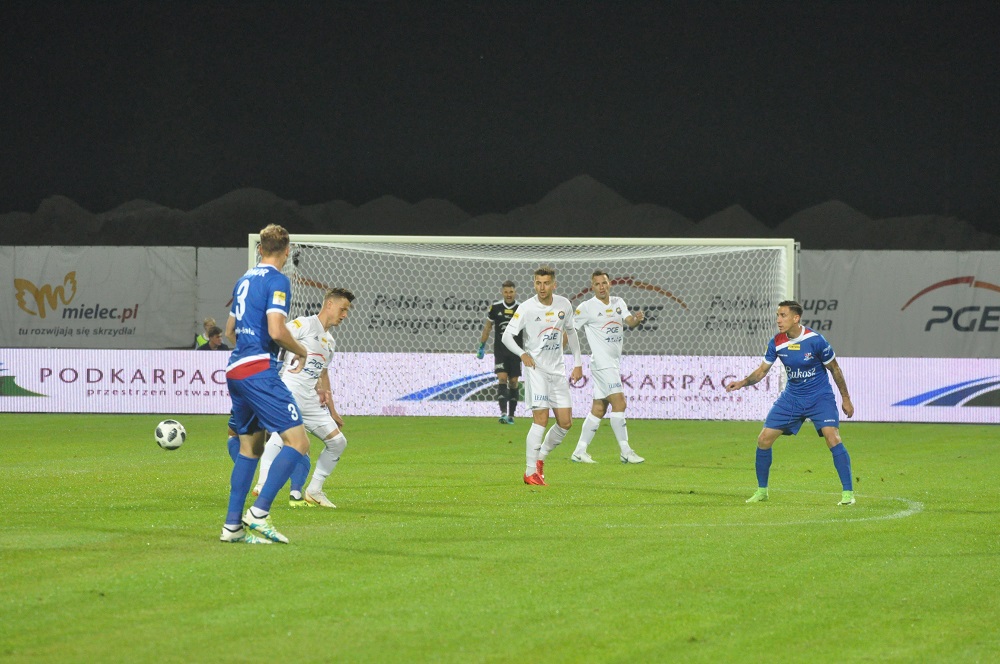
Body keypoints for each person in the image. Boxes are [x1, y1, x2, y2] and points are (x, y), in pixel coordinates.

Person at [219, 223, 311, 545]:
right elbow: (276, 330)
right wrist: (301, 351)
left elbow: (229, 331)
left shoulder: (244, 280)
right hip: (259, 371)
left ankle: (232, 527)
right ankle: (259, 514)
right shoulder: (278, 280)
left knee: (251, 448)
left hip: (236, 370)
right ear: (287, 251)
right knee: (299, 443)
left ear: (259, 248)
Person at [725, 300, 856, 506]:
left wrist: (846, 399)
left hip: (819, 397)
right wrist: (742, 382)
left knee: (833, 438)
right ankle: (762, 491)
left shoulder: (816, 340)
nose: (778, 320)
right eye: (778, 315)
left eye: (783, 315)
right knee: (764, 439)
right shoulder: (776, 342)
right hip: (792, 397)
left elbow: (835, 369)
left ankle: (848, 494)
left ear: (796, 318)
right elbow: (762, 371)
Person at [253, 288, 355, 508]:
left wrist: (333, 410)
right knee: (282, 437)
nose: (345, 315)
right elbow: (276, 335)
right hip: (289, 389)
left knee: (338, 442)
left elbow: (323, 375)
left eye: (347, 311)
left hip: (309, 399)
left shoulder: (330, 342)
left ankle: (314, 490)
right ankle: (262, 483)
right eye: (343, 309)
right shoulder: (304, 324)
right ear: (329, 304)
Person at [502, 266, 583, 486]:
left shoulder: (564, 304)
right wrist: (522, 354)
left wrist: (577, 363)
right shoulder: (527, 308)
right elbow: (507, 337)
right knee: (541, 419)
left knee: (565, 423)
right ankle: (529, 473)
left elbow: (572, 333)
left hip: (557, 371)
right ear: (534, 283)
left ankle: (540, 459)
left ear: (554, 284)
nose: (542, 287)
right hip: (536, 370)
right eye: (538, 283)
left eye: (546, 283)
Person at [570, 270, 646, 464]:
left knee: (599, 408)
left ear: (609, 283)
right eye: (597, 284)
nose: (601, 287)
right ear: (592, 287)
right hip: (602, 363)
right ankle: (625, 451)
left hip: (612, 362)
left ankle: (579, 451)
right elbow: (570, 330)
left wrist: (636, 319)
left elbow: (629, 322)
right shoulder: (586, 307)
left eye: (604, 283)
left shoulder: (618, 302)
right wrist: (572, 361)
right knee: (619, 403)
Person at [477, 281, 522, 424]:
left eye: (511, 292)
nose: (509, 294)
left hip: (516, 351)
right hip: (501, 351)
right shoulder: (495, 307)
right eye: (506, 292)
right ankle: (503, 413)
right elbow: (488, 327)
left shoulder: (521, 308)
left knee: (514, 382)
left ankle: (511, 415)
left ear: (515, 292)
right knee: (502, 379)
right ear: (502, 292)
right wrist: (481, 346)